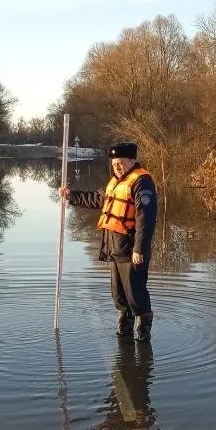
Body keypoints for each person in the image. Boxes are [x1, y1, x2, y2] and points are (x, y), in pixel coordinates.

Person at [61, 142, 158, 341]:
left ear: (132, 161)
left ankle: (143, 335)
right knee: (119, 294)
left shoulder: (142, 182)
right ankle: (124, 334)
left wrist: (139, 249)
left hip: (131, 248)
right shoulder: (115, 182)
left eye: (121, 163)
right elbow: (98, 201)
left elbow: (145, 218)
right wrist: (71, 197)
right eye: (114, 163)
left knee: (135, 292)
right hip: (115, 247)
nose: (117, 166)